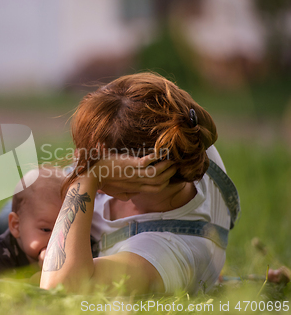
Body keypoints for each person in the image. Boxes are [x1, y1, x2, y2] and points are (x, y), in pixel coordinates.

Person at [40, 72, 238, 295]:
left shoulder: (170, 252)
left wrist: (88, 176)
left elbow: (59, 288)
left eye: (95, 158)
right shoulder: (186, 133)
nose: (78, 158)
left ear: (143, 170)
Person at [0, 167, 65, 276]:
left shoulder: (71, 251)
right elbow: (1, 290)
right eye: (46, 229)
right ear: (16, 225)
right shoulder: (0, 254)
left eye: (66, 231)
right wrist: (44, 277)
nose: (56, 240)